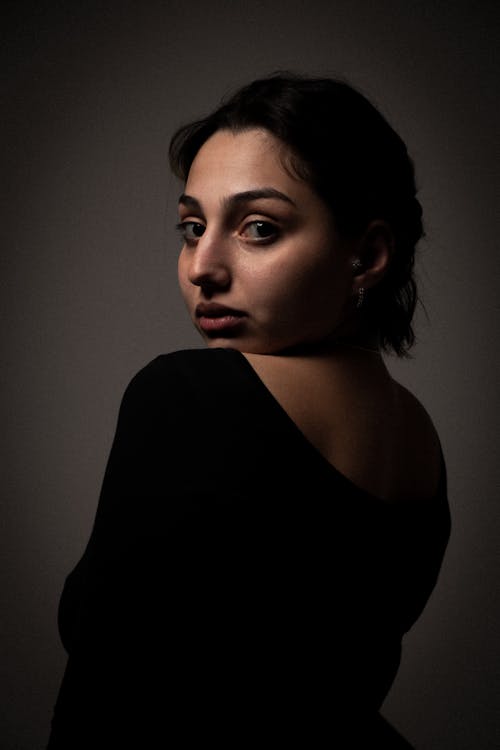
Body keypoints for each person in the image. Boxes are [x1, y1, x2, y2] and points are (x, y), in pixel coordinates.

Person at [47, 72, 451, 748]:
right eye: (191, 227)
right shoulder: (417, 435)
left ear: (368, 256)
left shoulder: (189, 394)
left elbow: (104, 675)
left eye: (259, 228)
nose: (202, 265)